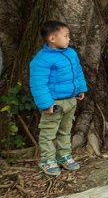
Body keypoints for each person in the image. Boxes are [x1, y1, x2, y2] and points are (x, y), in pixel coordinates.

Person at [29, 21, 88, 176]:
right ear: (52, 38)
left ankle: (64, 155)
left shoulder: (71, 53)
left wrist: (81, 88)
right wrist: (46, 103)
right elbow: (38, 83)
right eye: (66, 36)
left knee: (65, 130)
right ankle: (47, 159)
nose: (69, 39)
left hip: (70, 100)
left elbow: (78, 71)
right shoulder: (42, 60)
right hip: (54, 103)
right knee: (48, 133)